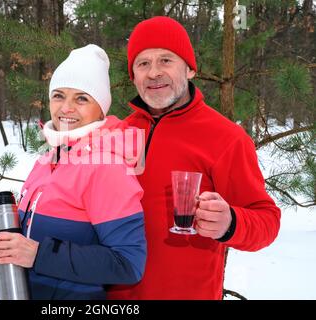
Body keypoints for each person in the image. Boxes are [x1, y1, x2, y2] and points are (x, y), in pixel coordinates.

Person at [0, 44, 147, 300]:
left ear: (101, 108)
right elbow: (31, 235)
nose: (66, 108)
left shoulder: (107, 168)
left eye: (82, 98)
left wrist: (38, 255)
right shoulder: (48, 159)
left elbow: (128, 263)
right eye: (59, 95)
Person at [107, 16, 281, 300]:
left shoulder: (226, 138)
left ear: (189, 69)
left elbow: (267, 220)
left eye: (166, 60)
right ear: (133, 76)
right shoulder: (116, 134)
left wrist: (230, 222)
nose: (153, 73)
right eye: (143, 63)